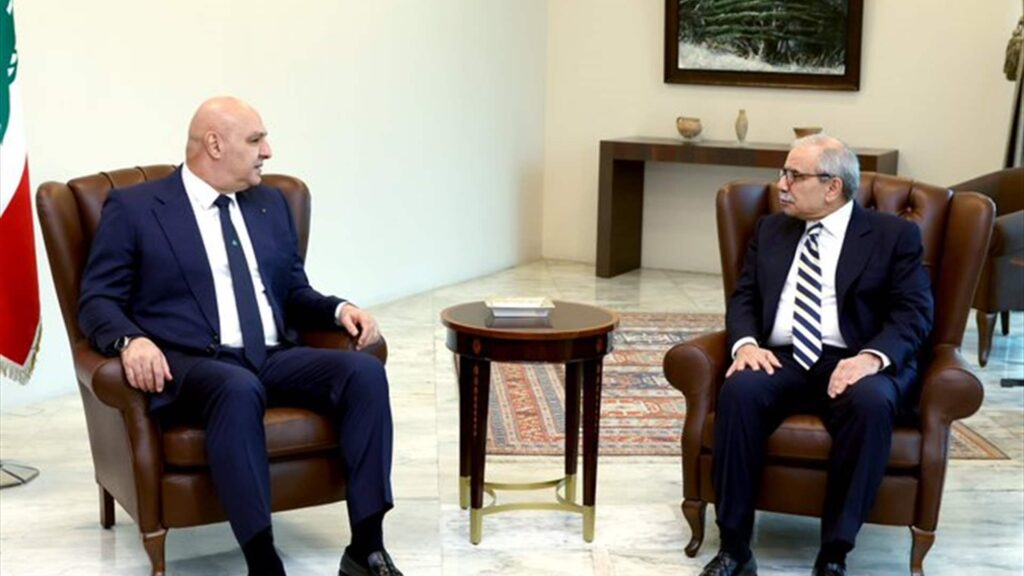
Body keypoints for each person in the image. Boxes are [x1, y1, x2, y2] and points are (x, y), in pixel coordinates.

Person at [78, 96, 402, 576]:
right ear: (214, 144)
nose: (268, 151)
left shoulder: (268, 203)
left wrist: (338, 309)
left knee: (364, 373)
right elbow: (97, 300)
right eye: (255, 140)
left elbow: (293, 290)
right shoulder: (137, 208)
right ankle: (263, 562)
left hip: (272, 354)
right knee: (236, 386)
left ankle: (366, 550)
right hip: (192, 363)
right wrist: (131, 340)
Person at [699, 135, 933, 576]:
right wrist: (746, 344)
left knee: (871, 401)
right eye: (783, 173)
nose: (781, 184)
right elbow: (744, 297)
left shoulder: (893, 236)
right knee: (740, 391)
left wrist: (871, 359)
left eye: (794, 175)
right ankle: (734, 549)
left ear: (832, 187)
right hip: (781, 356)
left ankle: (833, 555)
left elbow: (914, 312)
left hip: (853, 357)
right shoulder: (770, 230)